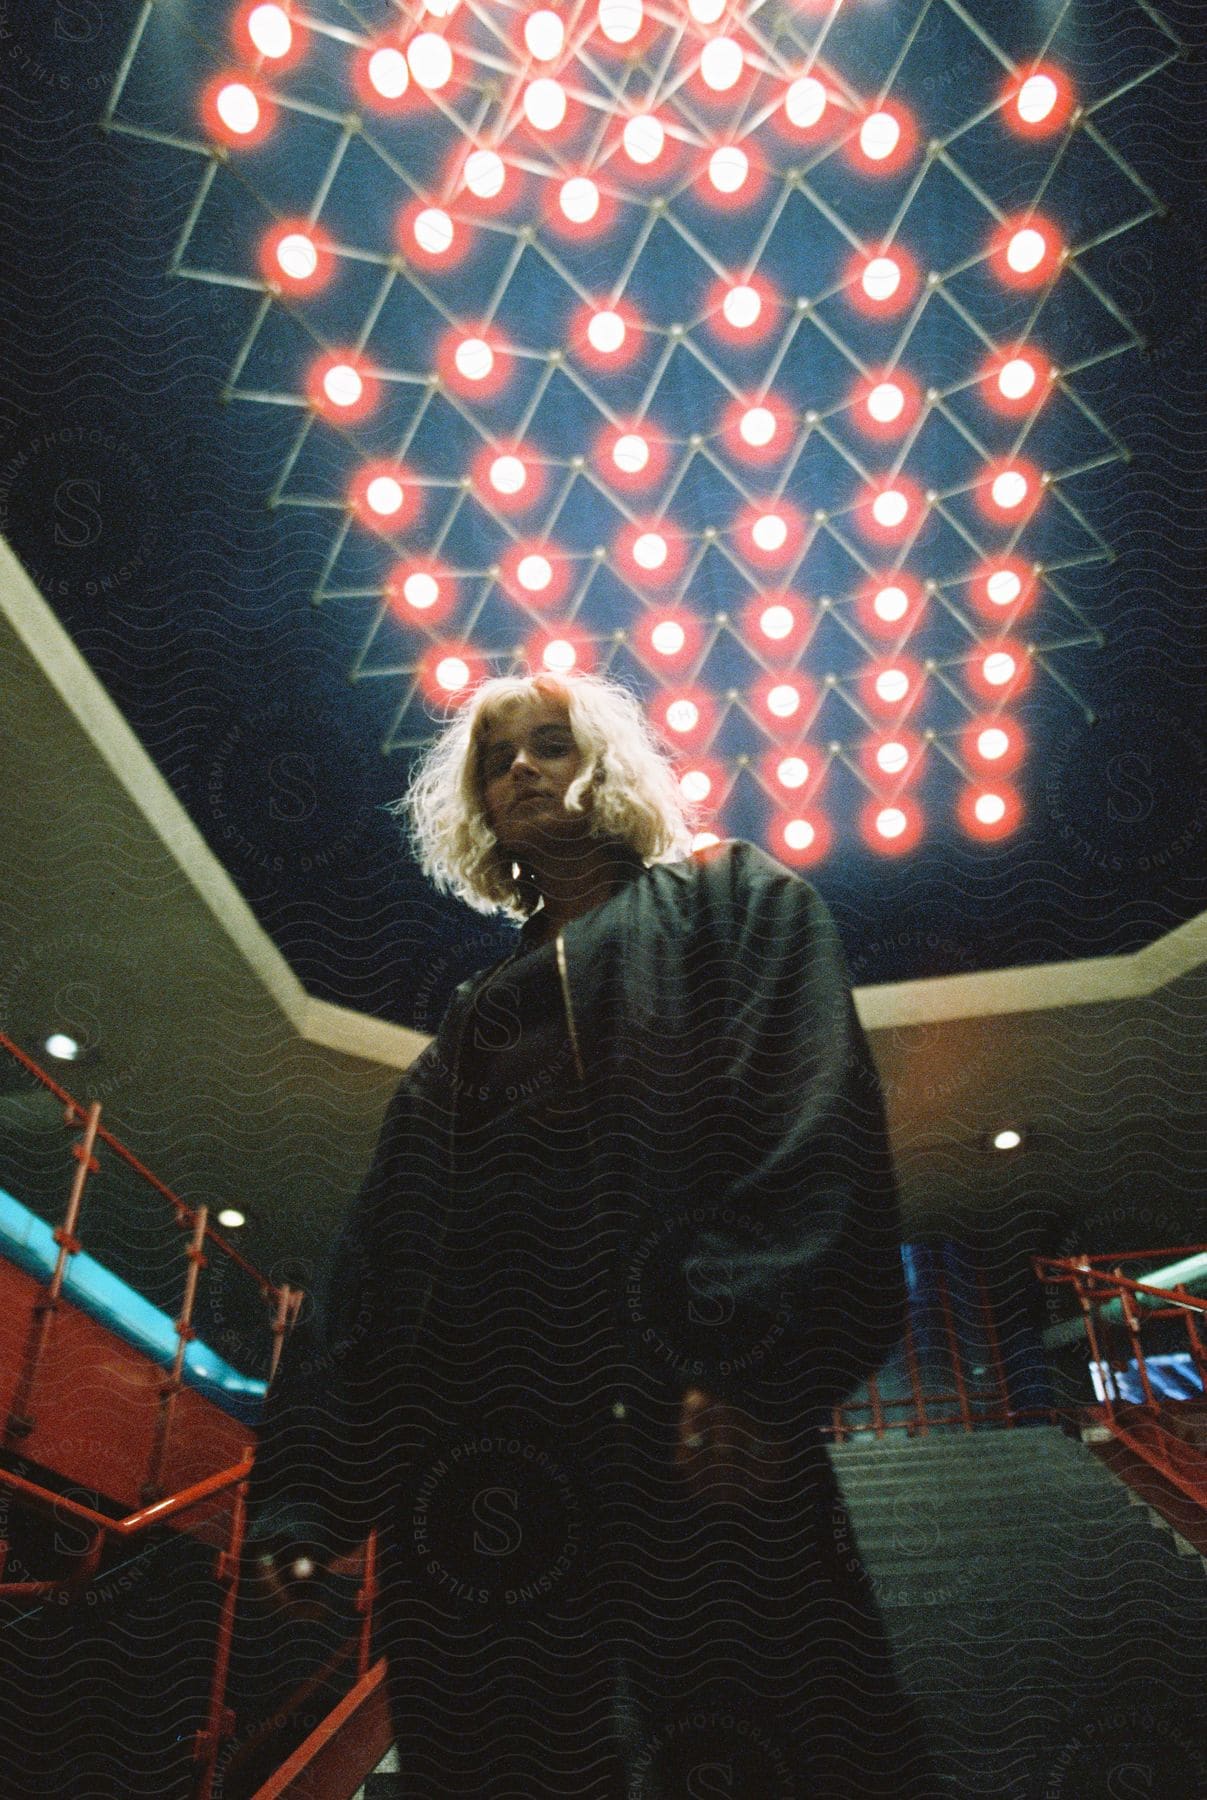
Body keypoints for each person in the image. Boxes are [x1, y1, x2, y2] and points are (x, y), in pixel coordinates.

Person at [247, 669, 939, 1797]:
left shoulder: (734, 904)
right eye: (496, 756)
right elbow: (379, 1267)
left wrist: (751, 1361)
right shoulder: (463, 1035)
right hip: (482, 1481)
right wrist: (310, 1491)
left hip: (683, 1429)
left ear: (606, 768)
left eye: (551, 744)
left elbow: (807, 1118)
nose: (521, 766)